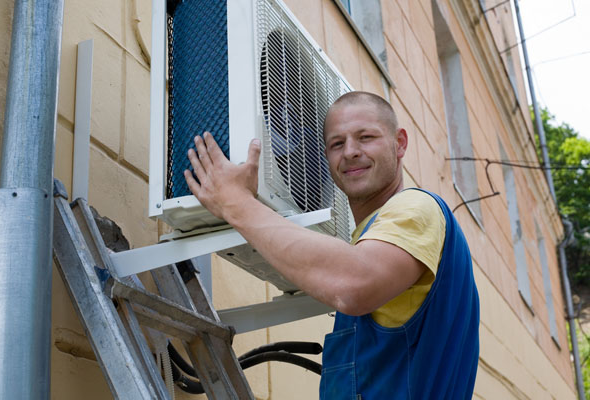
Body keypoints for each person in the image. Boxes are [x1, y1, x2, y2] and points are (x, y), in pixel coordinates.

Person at [184, 91, 480, 399]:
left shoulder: (418, 208)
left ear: (400, 142)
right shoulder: (368, 241)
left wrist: (237, 204)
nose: (350, 152)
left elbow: (354, 283)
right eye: (337, 144)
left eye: (366, 137)